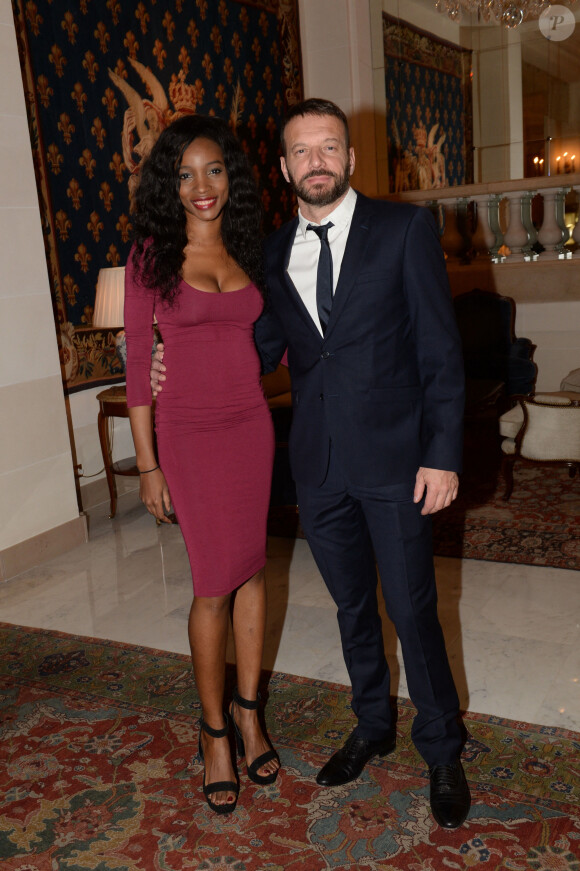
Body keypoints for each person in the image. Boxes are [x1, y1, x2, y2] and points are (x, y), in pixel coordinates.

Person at [151, 99, 470, 828]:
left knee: (414, 608)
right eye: (302, 150)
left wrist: (441, 454)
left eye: (330, 147)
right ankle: (371, 722)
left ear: (350, 159)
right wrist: (176, 362)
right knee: (352, 605)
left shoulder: (403, 229)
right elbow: (256, 352)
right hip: (316, 463)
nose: (316, 161)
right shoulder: (264, 253)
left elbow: (439, 351)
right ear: (286, 166)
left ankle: (442, 747)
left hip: (397, 460)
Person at [124, 114, 280, 815]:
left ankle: (249, 710)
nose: (201, 185)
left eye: (213, 169)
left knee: (252, 569)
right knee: (213, 580)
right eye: (184, 173)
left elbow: (272, 344)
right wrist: (148, 464)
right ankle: (214, 728)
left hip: (251, 426)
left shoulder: (252, 248)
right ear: (170, 184)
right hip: (187, 435)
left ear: (231, 177)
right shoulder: (149, 258)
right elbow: (134, 366)